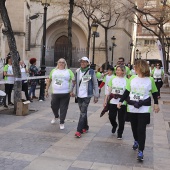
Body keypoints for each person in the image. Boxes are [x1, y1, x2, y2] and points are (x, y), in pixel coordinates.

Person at [117, 60, 160, 161]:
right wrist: (121, 101)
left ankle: (141, 150)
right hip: (132, 107)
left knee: (141, 129)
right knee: (134, 128)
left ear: (141, 67)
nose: (134, 68)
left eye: (136, 66)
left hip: (144, 108)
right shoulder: (132, 78)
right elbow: (127, 91)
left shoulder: (150, 80)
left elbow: (154, 92)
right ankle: (136, 140)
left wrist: (156, 104)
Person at [45, 58, 75, 130]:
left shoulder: (69, 71)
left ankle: (62, 122)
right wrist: (46, 90)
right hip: (55, 92)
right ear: (57, 63)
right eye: (59, 62)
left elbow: (73, 81)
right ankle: (56, 116)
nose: (61, 63)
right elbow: (49, 80)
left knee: (63, 108)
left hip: (65, 93)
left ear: (65, 64)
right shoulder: (53, 71)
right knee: (53, 106)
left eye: (63, 62)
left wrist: (71, 90)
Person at [74, 56, 99, 138]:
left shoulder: (91, 72)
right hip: (79, 95)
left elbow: (95, 83)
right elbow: (74, 82)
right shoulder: (77, 71)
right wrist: (71, 90)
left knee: (82, 112)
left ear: (88, 63)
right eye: (81, 62)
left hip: (87, 95)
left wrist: (96, 95)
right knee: (83, 112)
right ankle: (85, 126)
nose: (83, 63)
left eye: (85, 62)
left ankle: (79, 130)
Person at [103, 65, 128, 139]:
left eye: (119, 70)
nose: (117, 71)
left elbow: (127, 92)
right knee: (111, 116)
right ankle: (114, 125)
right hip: (113, 100)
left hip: (122, 102)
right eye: (117, 70)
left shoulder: (127, 80)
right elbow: (109, 90)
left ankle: (120, 133)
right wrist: (105, 100)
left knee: (121, 119)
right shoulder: (113, 79)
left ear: (123, 71)